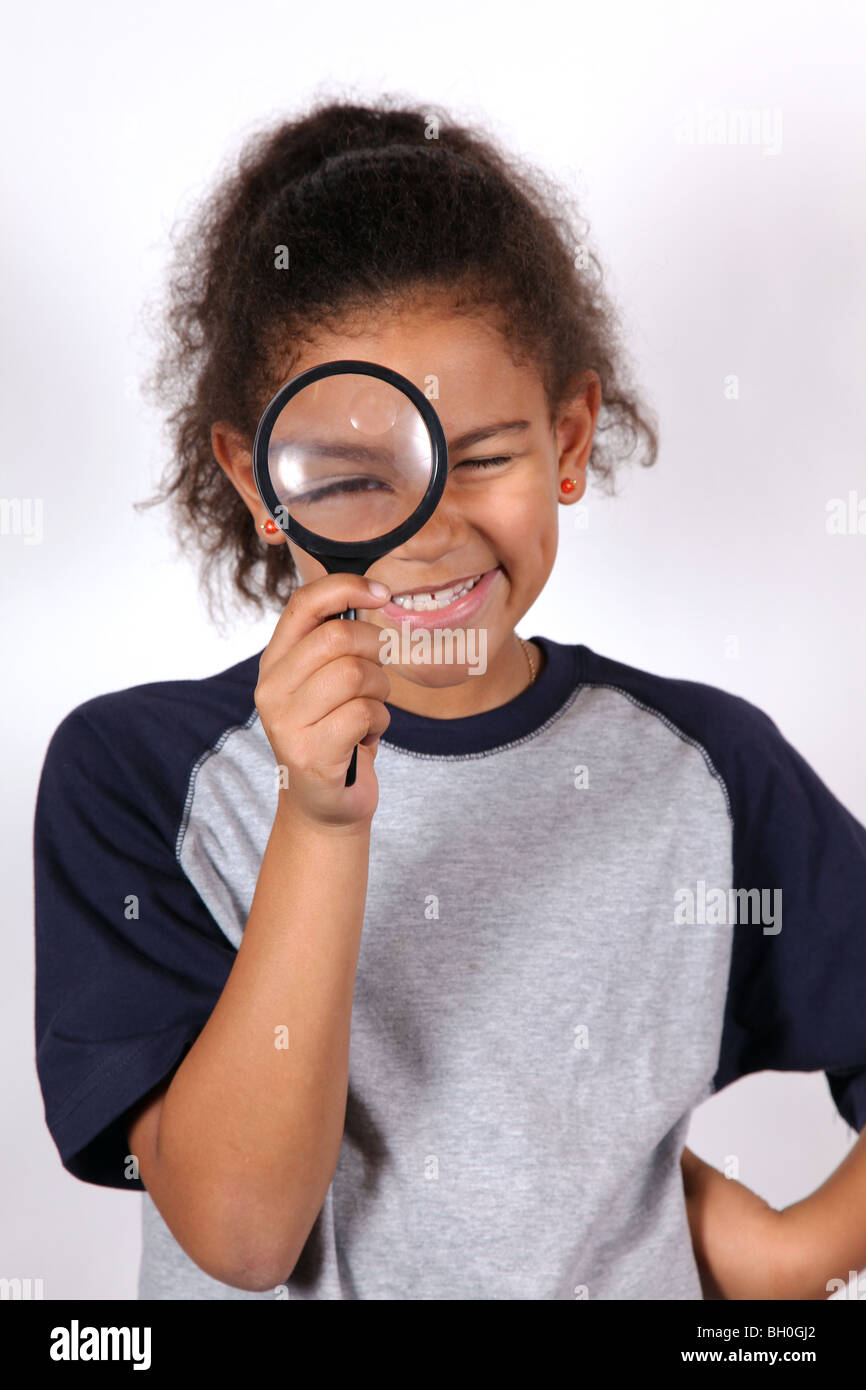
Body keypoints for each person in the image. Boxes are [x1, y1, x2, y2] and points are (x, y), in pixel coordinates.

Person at [34, 96, 866, 1301]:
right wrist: (319, 820)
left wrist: (795, 1250)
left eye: (481, 457)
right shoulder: (138, 776)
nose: (423, 534)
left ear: (569, 439)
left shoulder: (707, 772)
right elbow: (242, 1235)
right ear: (256, 481)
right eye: (350, 476)